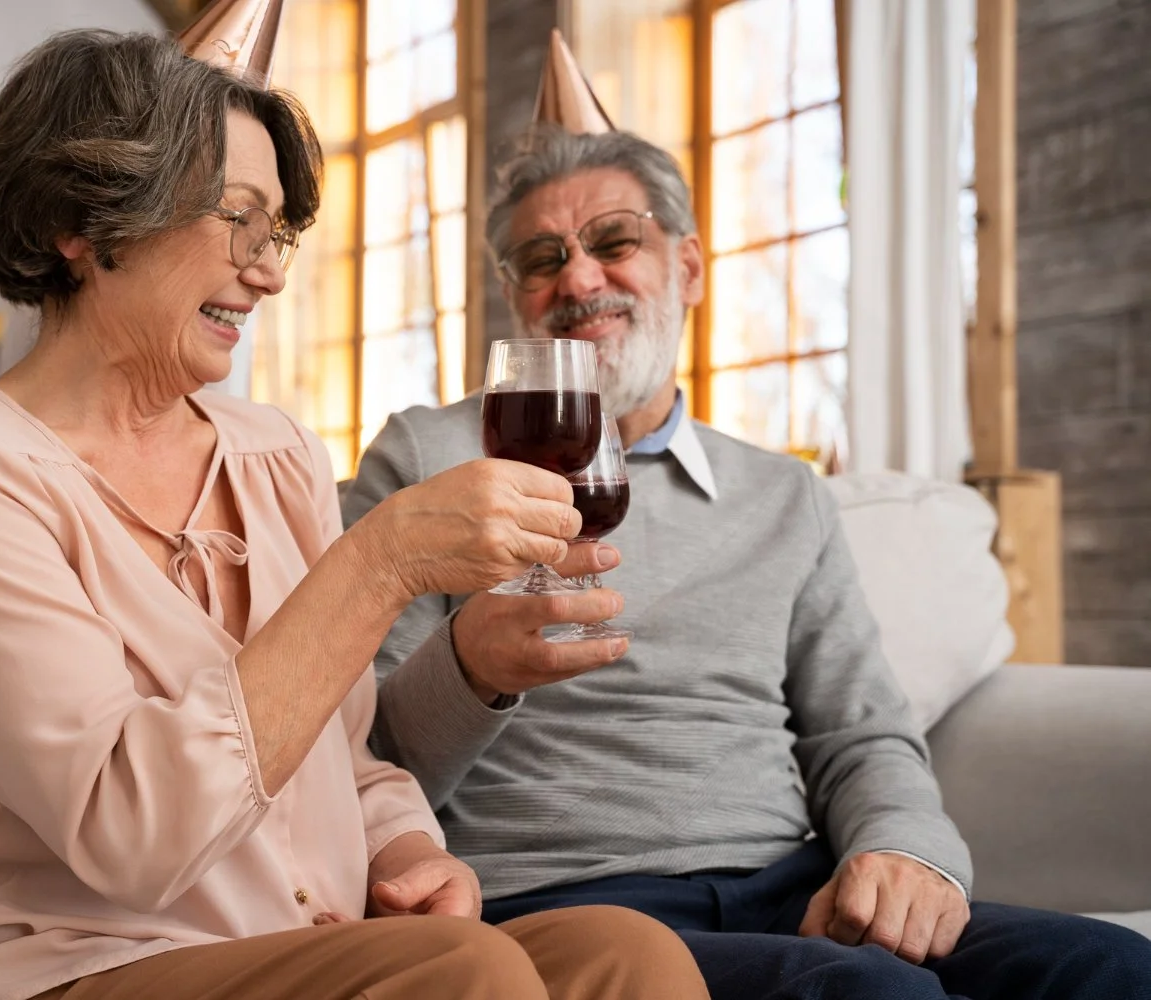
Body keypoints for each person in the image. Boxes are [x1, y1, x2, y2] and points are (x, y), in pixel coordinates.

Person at [0, 28, 710, 1000]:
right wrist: (380, 561)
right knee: (461, 976)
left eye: (275, 233)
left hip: (290, 945)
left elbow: (343, 754)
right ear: (81, 223)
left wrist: (405, 848)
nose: (269, 271)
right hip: (65, 965)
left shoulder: (275, 454)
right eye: (238, 219)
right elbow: (128, 834)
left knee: (627, 954)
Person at [342, 120, 1151, 1000]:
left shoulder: (784, 495)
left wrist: (903, 847)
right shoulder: (424, 459)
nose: (578, 278)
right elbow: (361, 747)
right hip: (563, 904)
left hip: (789, 888)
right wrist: (469, 669)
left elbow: (862, 731)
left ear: (687, 268)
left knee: (1112, 968)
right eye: (542, 260)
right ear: (512, 294)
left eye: (615, 241)